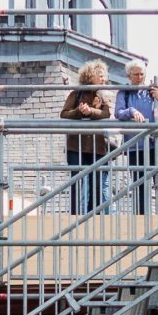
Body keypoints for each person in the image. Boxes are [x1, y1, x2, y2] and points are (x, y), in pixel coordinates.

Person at [114, 60, 158, 215]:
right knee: (139, 183)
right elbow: (118, 113)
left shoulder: (151, 92)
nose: (139, 77)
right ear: (129, 76)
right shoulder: (124, 93)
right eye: (136, 74)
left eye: (142, 74)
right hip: (135, 145)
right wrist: (131, 111)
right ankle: (141, 217)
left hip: (155, 143)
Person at [60, 62, 114, 216]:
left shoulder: (101, 96)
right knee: (76, 182)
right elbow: (64, 113)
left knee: (96, 183)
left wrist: (90, 111)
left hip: (97, 146)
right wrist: (79, 111)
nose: (104, 79)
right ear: (90, 76)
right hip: (76, 145)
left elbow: (106, 114)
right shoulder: (76, 94)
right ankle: (76, 216)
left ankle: (94, 215)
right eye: (101, 75)